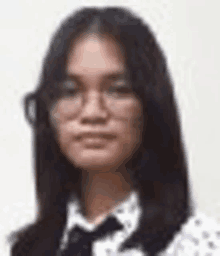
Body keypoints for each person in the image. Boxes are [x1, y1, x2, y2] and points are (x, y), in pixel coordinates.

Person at [6, 6, 220, 256]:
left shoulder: (197, 244)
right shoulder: (27, 248)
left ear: (151, 104)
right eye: (70, 91)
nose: (93, 113)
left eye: (118, 90)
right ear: (49, 110)